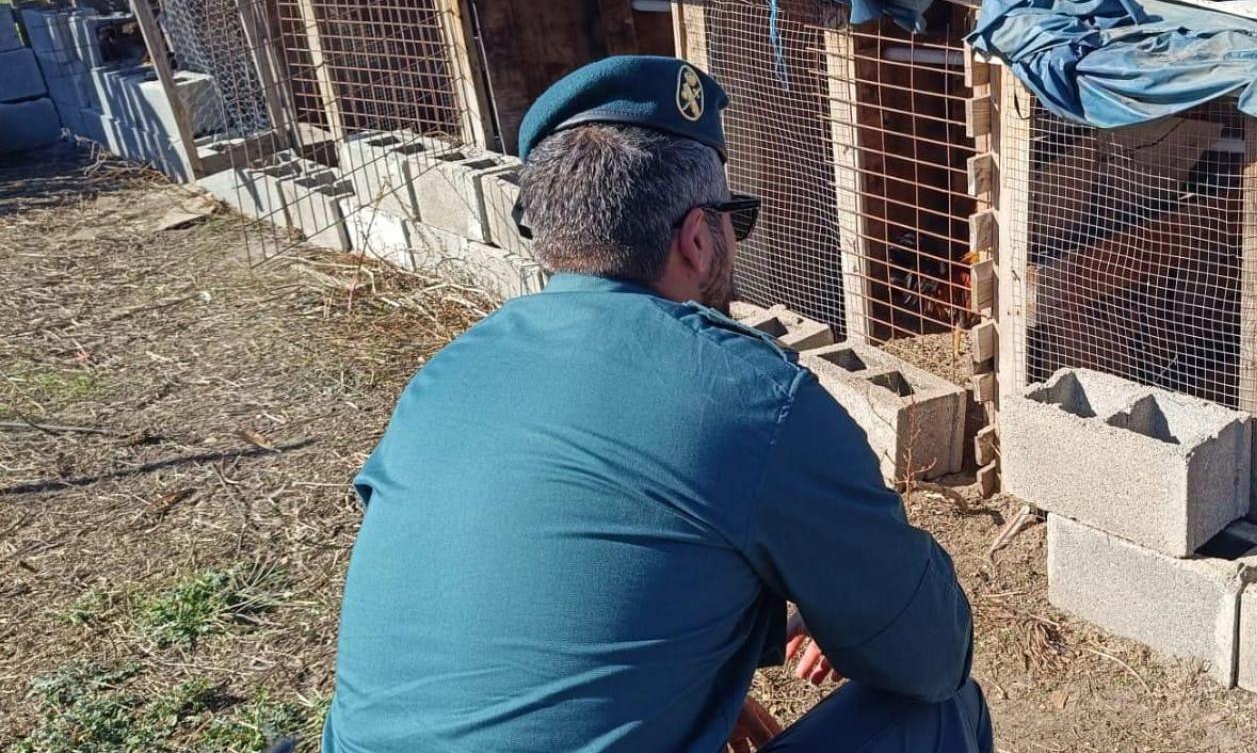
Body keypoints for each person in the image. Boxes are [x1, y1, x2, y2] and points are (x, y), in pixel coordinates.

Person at [321, 56, 992, 753]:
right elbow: (929, 658)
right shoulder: (750, 396)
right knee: (942, 711)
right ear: (697, 239)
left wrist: (697, 688)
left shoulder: (446, 374)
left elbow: (513, 595)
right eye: (736, 220)